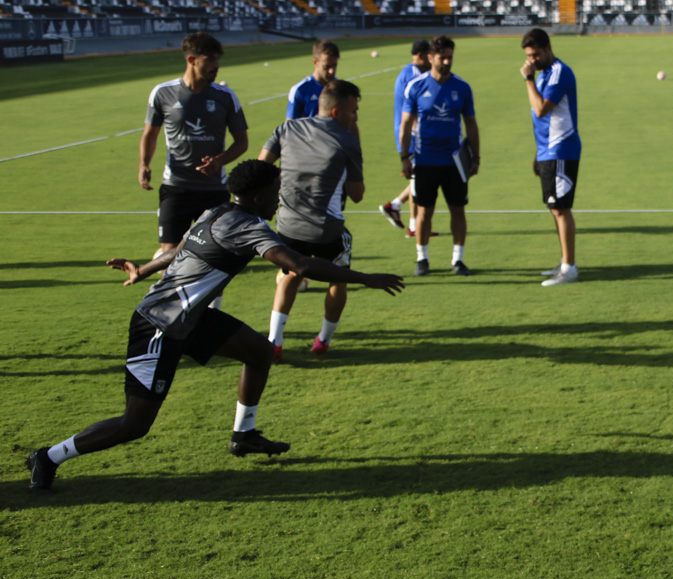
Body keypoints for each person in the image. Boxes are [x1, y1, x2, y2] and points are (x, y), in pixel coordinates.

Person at [25, 160, 404, 493]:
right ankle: (49, 456)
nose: (278, 201)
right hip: (160, 325)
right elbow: (298, 265)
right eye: (275, 193)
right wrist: (363, 277)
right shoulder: (248, 225)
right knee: (134, 424)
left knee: (258, 351)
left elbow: (180, 249)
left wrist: (144, 268)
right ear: (257, 197)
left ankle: (244, 435)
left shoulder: (215, 212)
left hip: (192, 318)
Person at [260, 80, 365, 359]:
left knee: (289, 276)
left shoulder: (286, 129)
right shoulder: (346, 142)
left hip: (286, 226)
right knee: (338, 279)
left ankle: (275, 341)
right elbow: (357, 195)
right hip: (325, 230)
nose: (356, 117)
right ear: (336, 112)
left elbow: (260, 168)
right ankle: (323, 340)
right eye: (353, 111)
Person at [139, 32, 249, 267]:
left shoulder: (225, 97)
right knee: (169, 258)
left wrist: (219, 161)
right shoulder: (163, 93)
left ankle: (204, 304)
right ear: (192, 60)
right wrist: (144, 164)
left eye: (218, 60)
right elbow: (150, 134)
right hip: (176, 188)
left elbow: (242, 142)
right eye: (210, 60)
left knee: (213, 258)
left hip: (214, 190)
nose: (216, 66)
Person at [399, 35, 480, 277]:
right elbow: (405, 124)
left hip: (454, 161)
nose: (447, 62)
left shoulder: (462, 87)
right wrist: (404, 156)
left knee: (458, 210)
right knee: (424, 211)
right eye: (442, 57)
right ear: (430, 57)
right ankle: (422, 258)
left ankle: (458, 259)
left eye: (450, 57)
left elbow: (471, 124)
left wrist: (476, 157)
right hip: (425, 160)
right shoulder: (416, 86)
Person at [520, 28, 580, 287]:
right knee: (554, 209)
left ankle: (570, 267)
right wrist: (538, 153)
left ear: (547, 48)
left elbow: (541, 109)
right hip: (548, 151)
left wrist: (528, 80)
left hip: (562, 151)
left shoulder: (558, 73)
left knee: (561, 209)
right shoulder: (545, 74)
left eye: (535, 54)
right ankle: (564, 261)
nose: (532, 60)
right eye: (529, 56)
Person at [380, 40, 438, 239]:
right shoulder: (415, 76)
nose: (433, 61)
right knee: (419, 181)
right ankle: (414, 226)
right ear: (422, 55)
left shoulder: (407, 72)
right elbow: (414, 111)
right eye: (430, 56)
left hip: (408, 135)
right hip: (413, 138)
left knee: (418, 178)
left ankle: (395, 206)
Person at [286, 40, 341, 121]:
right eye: (327, 66)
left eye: (334, 65)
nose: (331, 71)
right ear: (315, 62)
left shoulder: (341, 88)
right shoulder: (300, 90)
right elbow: (290, 126)